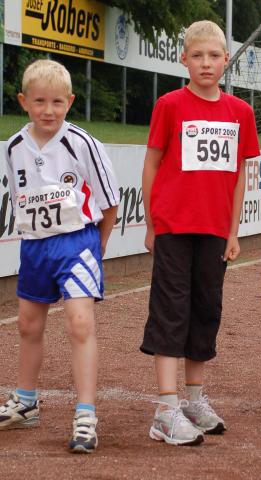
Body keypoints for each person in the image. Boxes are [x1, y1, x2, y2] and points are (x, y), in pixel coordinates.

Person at [140, 20, 260, 446]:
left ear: (226, 60)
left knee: (206, 310)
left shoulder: (241, 112)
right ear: (184, 60)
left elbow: (241, 176)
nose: (206, 63)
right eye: (197, 56)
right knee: (172, 311)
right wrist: (153, 225)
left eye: (214, 56)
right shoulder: (170, 104)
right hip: (174, 226)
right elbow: (152, 165)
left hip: (214, 231)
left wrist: (233, 231)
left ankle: (193, 398)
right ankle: (165, 410)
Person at [0, 59, 119, 453]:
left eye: (56, 102)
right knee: (28, 327)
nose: (47, 110)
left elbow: (110, 203)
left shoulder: (82, 143)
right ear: (23, 101)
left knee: (79, 323)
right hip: (34, 246)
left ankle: (85, 414)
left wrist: (96, 249)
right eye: (38, 101)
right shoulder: (14, 147)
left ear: (69, 102)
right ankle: (26, 402)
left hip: (77, 245)